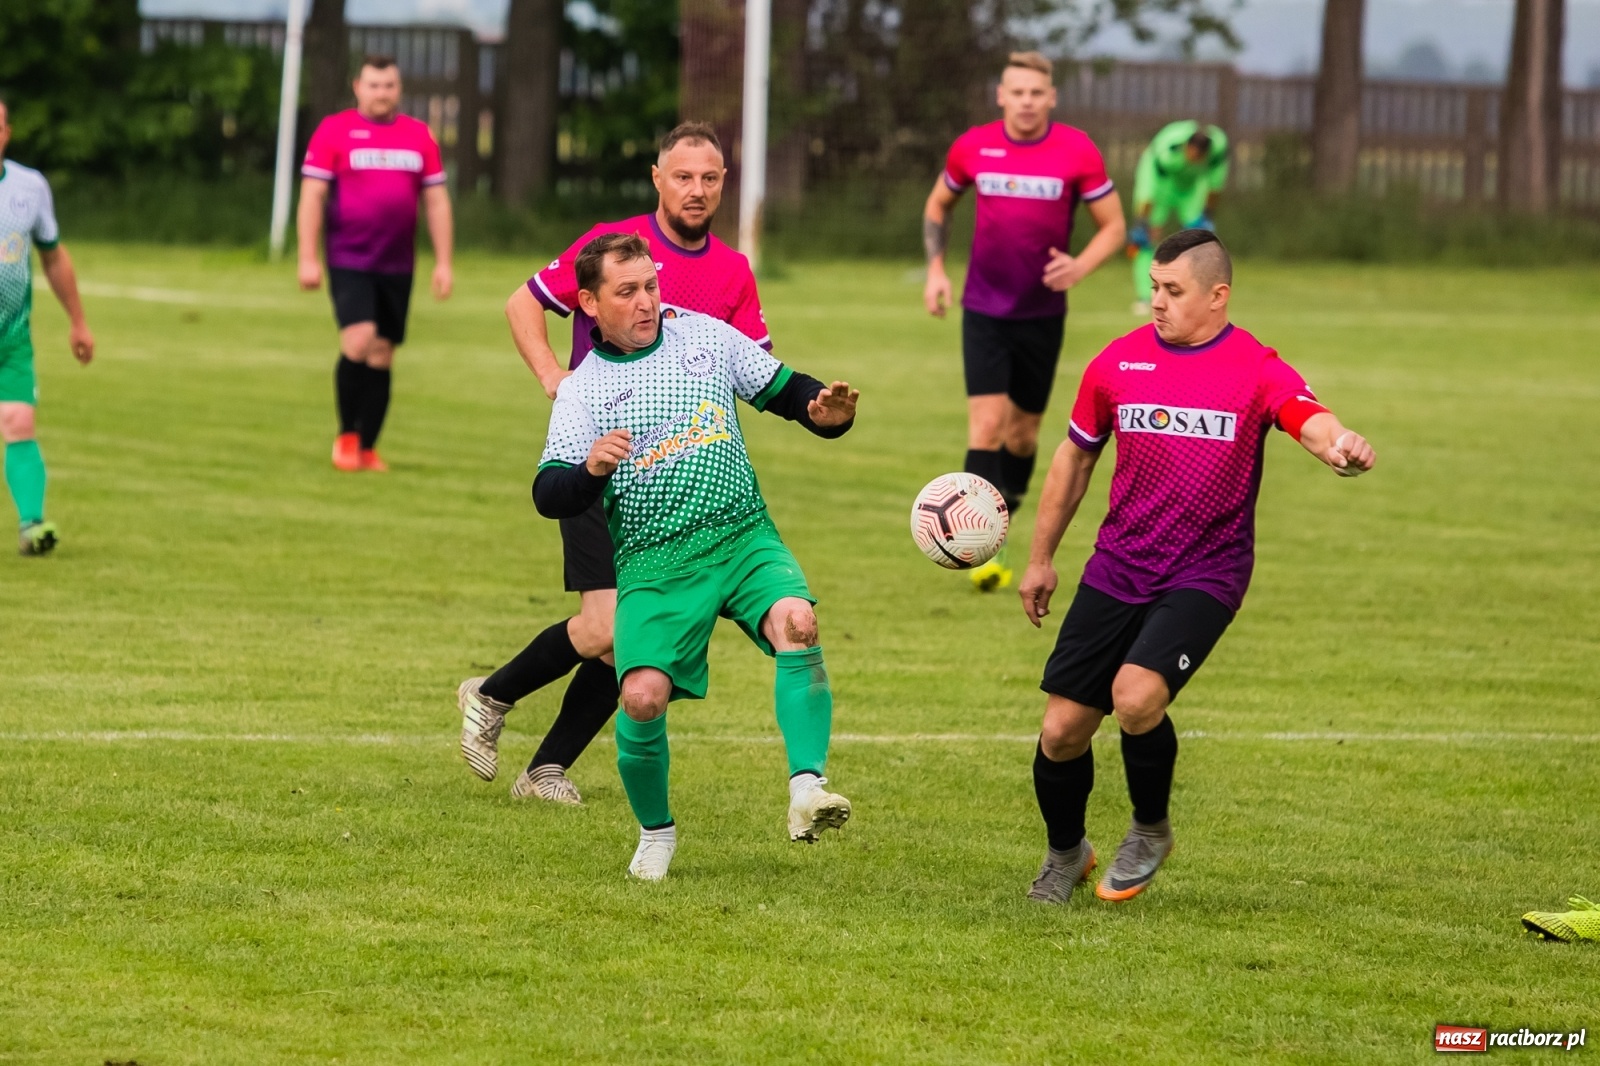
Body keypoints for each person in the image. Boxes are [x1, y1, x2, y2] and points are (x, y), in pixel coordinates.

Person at [1019, 229, 1375, 905]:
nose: (1156, 302)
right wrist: (1040, 560)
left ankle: (1150, 829)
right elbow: (1075, 459)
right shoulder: (1118, 364)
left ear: (1218, 296)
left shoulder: (1255, 367)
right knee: (1062, 732)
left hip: (1205, 572)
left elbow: (1307, 415)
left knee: (1134, 696)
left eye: (1172, 291)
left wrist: (1338, 445)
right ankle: (1067, 853)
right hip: (1118, 564)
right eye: (1153, 287)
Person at [458, 122, 771, 805]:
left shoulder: (734, 271)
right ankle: (490, 694)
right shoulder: (612, 247)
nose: (696, 189)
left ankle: (543, 770)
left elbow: (752, 369)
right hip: (602, 466)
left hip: (673, 480)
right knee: (608, 629)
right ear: (657, 179)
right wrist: (556, 378)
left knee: (621, 640)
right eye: (682, 176)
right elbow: (523, 302)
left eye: (710, 178)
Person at [532, 232, 858, 880]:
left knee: (798, 620)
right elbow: (550, 492)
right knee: (642, 699)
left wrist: (830, 414)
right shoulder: (583, 391)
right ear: (590, 303)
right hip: (656, 562)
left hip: (741, 536)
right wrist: (593, 469)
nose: (647, 301)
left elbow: (789, 392)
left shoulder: (702, 336)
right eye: (627, 292)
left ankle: (806, 790)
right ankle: (656, 832)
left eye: (651, 285)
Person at [923, 51, 1126, 592]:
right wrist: (937, 270)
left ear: (1051, 98)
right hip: (984, 310)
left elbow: (1113, 226)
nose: (1027, 101)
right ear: (1001, 95)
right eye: (1018, 92)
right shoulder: (974, 146)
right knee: (986, 426)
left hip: (1042, 315)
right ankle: (982, 550)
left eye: (1037, 93)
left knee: (1023, 434)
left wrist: (1080, 265)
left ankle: (1001, 513)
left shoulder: (1077, 151)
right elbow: (938, 206)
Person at [297, 54, 453, 473]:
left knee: (383, 352)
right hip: (349, 258)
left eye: (389, 85)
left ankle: (368, 446)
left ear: (398, 89)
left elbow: (436, 202)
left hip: (397, 263)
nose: (381, 93)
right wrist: (307, 257)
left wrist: (443, 262)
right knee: (359, 340)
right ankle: (346, 437)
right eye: (373, 85)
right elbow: (312, 195)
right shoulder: (335, 131)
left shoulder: (418, 136)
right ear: (357, 87)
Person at [0, 97, 93, 556]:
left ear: (7, 133)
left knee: (18, 420)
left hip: (10, 334)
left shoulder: (29, 187)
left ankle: (31, 525)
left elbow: (53, 255)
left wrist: (78, 321)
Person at [1127, 120, 1229, 316]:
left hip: (1190, 187)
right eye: (1191, 156)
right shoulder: (1169, 151)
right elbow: (1149, 184)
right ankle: (1144, 297)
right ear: (1185, 148)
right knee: (1145, 239)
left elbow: (1215, 183)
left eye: (1199, 158)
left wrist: (1207, 215)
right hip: (1162, 186)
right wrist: (1143, 220)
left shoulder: (1218, 149)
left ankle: (1198, 296)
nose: (1194, 160)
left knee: (1201, 240)